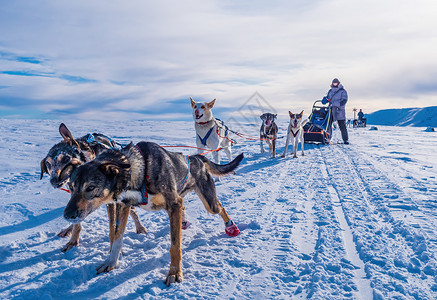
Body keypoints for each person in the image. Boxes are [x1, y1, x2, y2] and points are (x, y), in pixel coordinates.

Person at [326, 78, 349, 144]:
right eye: (334, 83)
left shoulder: (343, 91)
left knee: (342, 126)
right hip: (331, 111)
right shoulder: (330, 91)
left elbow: (344, 101)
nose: (335, 84)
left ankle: (345, 139)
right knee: (328, 125)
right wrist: (325, 100)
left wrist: (334, 104)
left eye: (336, 83)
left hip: (340, 111)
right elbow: (328, 98)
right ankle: (327, 138)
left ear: (338, 83)